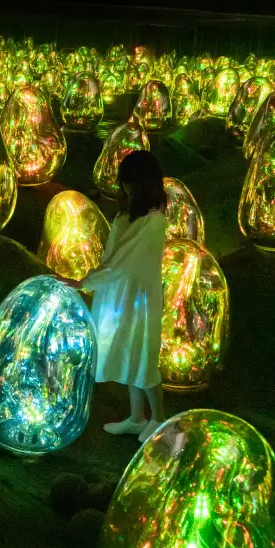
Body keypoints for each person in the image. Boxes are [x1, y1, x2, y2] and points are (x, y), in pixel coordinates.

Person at [61, 150, 170, 441]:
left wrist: (85, 281)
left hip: (138, 298)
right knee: (129, 355)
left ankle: (158, 420)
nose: (125, 188)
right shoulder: (131, 213)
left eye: (129, 182)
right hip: (119, 294)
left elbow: (122, 262)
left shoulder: (152, 221)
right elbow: (115, 258)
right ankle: (137, 417)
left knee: (144, 358)